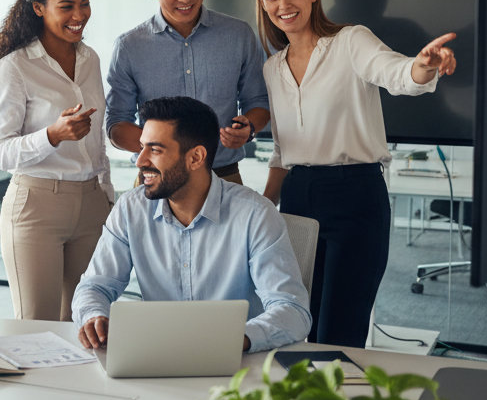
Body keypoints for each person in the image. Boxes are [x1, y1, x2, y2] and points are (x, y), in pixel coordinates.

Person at [256, 0, 457, 347]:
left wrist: (424, 65)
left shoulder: (350, 41)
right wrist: (264, 210)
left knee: (339, 332)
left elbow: (397, 73)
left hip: (354, 196)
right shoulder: (272, 67)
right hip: (297, 197)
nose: (284, 5)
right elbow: (282, 151)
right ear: (262, 3)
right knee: (297, 322)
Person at [74, 96, 310, 352]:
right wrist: (94, 317)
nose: (140, 161)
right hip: (158, 358)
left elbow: (292, 311)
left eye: (154, 150)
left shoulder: (256, 215)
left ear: (196, 157)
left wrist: (231, 339)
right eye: (141, 147)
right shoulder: (130, 208)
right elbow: (94, 286)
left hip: (237, 366)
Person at [0, 0, 113, 321]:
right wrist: (51, 136)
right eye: (67, 6)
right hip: (37, 205)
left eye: (85, 3)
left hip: (91, 204)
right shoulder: (15, 67)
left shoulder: (91, 60)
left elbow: (97, 138)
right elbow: (1, 153)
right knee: (36, 326)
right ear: (39, 8)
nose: (79, 15)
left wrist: (105, 194)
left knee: (86, 322)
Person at [106, 0, 270, 185]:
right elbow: (117, 124)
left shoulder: (239, 35)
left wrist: (248, 130)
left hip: (223, 176)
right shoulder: (129, 46)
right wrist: (161, 149)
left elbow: (258, 101)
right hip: (155, 178)